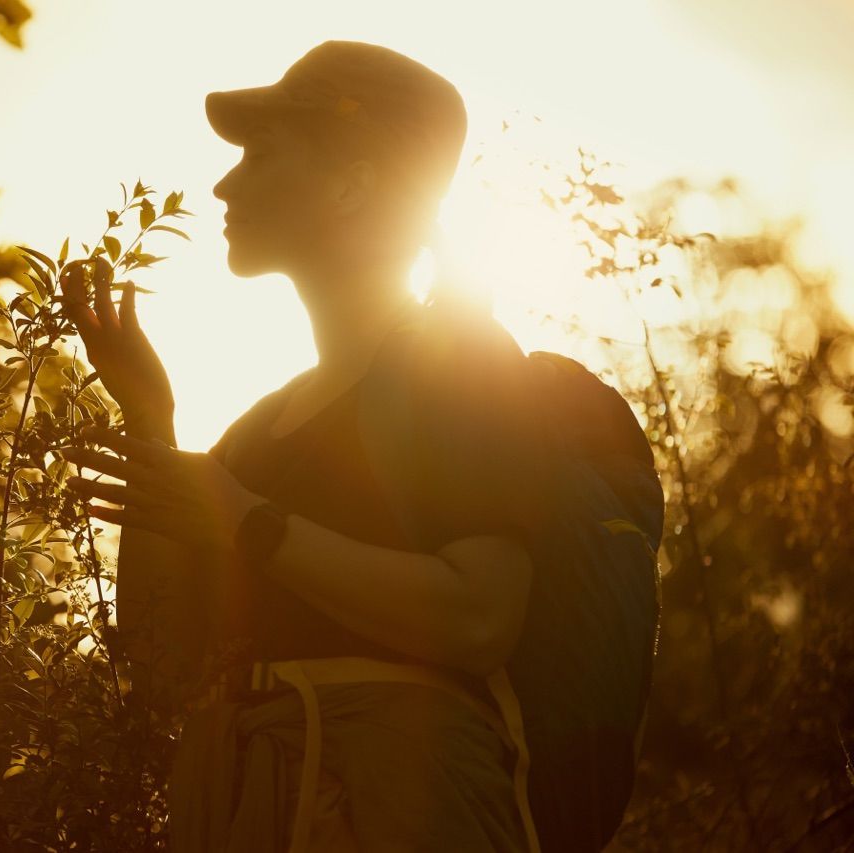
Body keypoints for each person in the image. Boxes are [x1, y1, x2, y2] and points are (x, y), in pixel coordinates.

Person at [58, 40, 548, 852]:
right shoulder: (256, 432)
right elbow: (163, 670)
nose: (223, 182)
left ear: (354, 184)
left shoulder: (460, 361)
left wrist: (250, 522)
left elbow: (479, 616)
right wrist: (152, 422)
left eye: (259, 153)